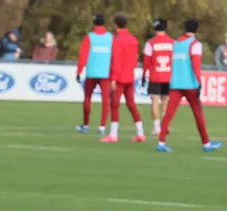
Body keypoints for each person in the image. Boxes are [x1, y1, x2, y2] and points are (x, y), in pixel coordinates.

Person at [157, 19, 222, 153]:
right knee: (198, 114)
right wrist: (199, 83)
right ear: (196, 29)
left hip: (176, 83)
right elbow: (196, 65)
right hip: (190, 84)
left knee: (168, 113)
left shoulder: (176, 43)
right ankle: (206, 143)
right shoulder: (194, 44)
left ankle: (161, 142)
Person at [101, 13, 145, 143]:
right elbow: (135, 59)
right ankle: (140, 133)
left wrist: (113, 78)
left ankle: (113, 135)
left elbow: (116, 60)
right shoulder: (133, 39)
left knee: (115, 105)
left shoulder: (118, 40)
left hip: (120, 77)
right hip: (130, 76)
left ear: (115, 25)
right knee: (131, 104)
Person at [75, 13, 113, 135]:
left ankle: (86, 125)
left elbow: (83, 56)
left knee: (87, 98)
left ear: (94, 23)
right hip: (106, 73)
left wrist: (79, 71)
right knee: (106, 100)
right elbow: (115, 56)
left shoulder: (90, 37)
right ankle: (102, 126)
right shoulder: (110, 37)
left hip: (92, 72)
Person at [142, 19, 174, 135]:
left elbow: (146, 61)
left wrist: (144, 75)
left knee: (155, 101)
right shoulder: (172, 42)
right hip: (168, 75)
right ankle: (166, 126)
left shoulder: (151, 43)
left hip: (155, 76)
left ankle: (157, 128)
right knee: (165, 102)